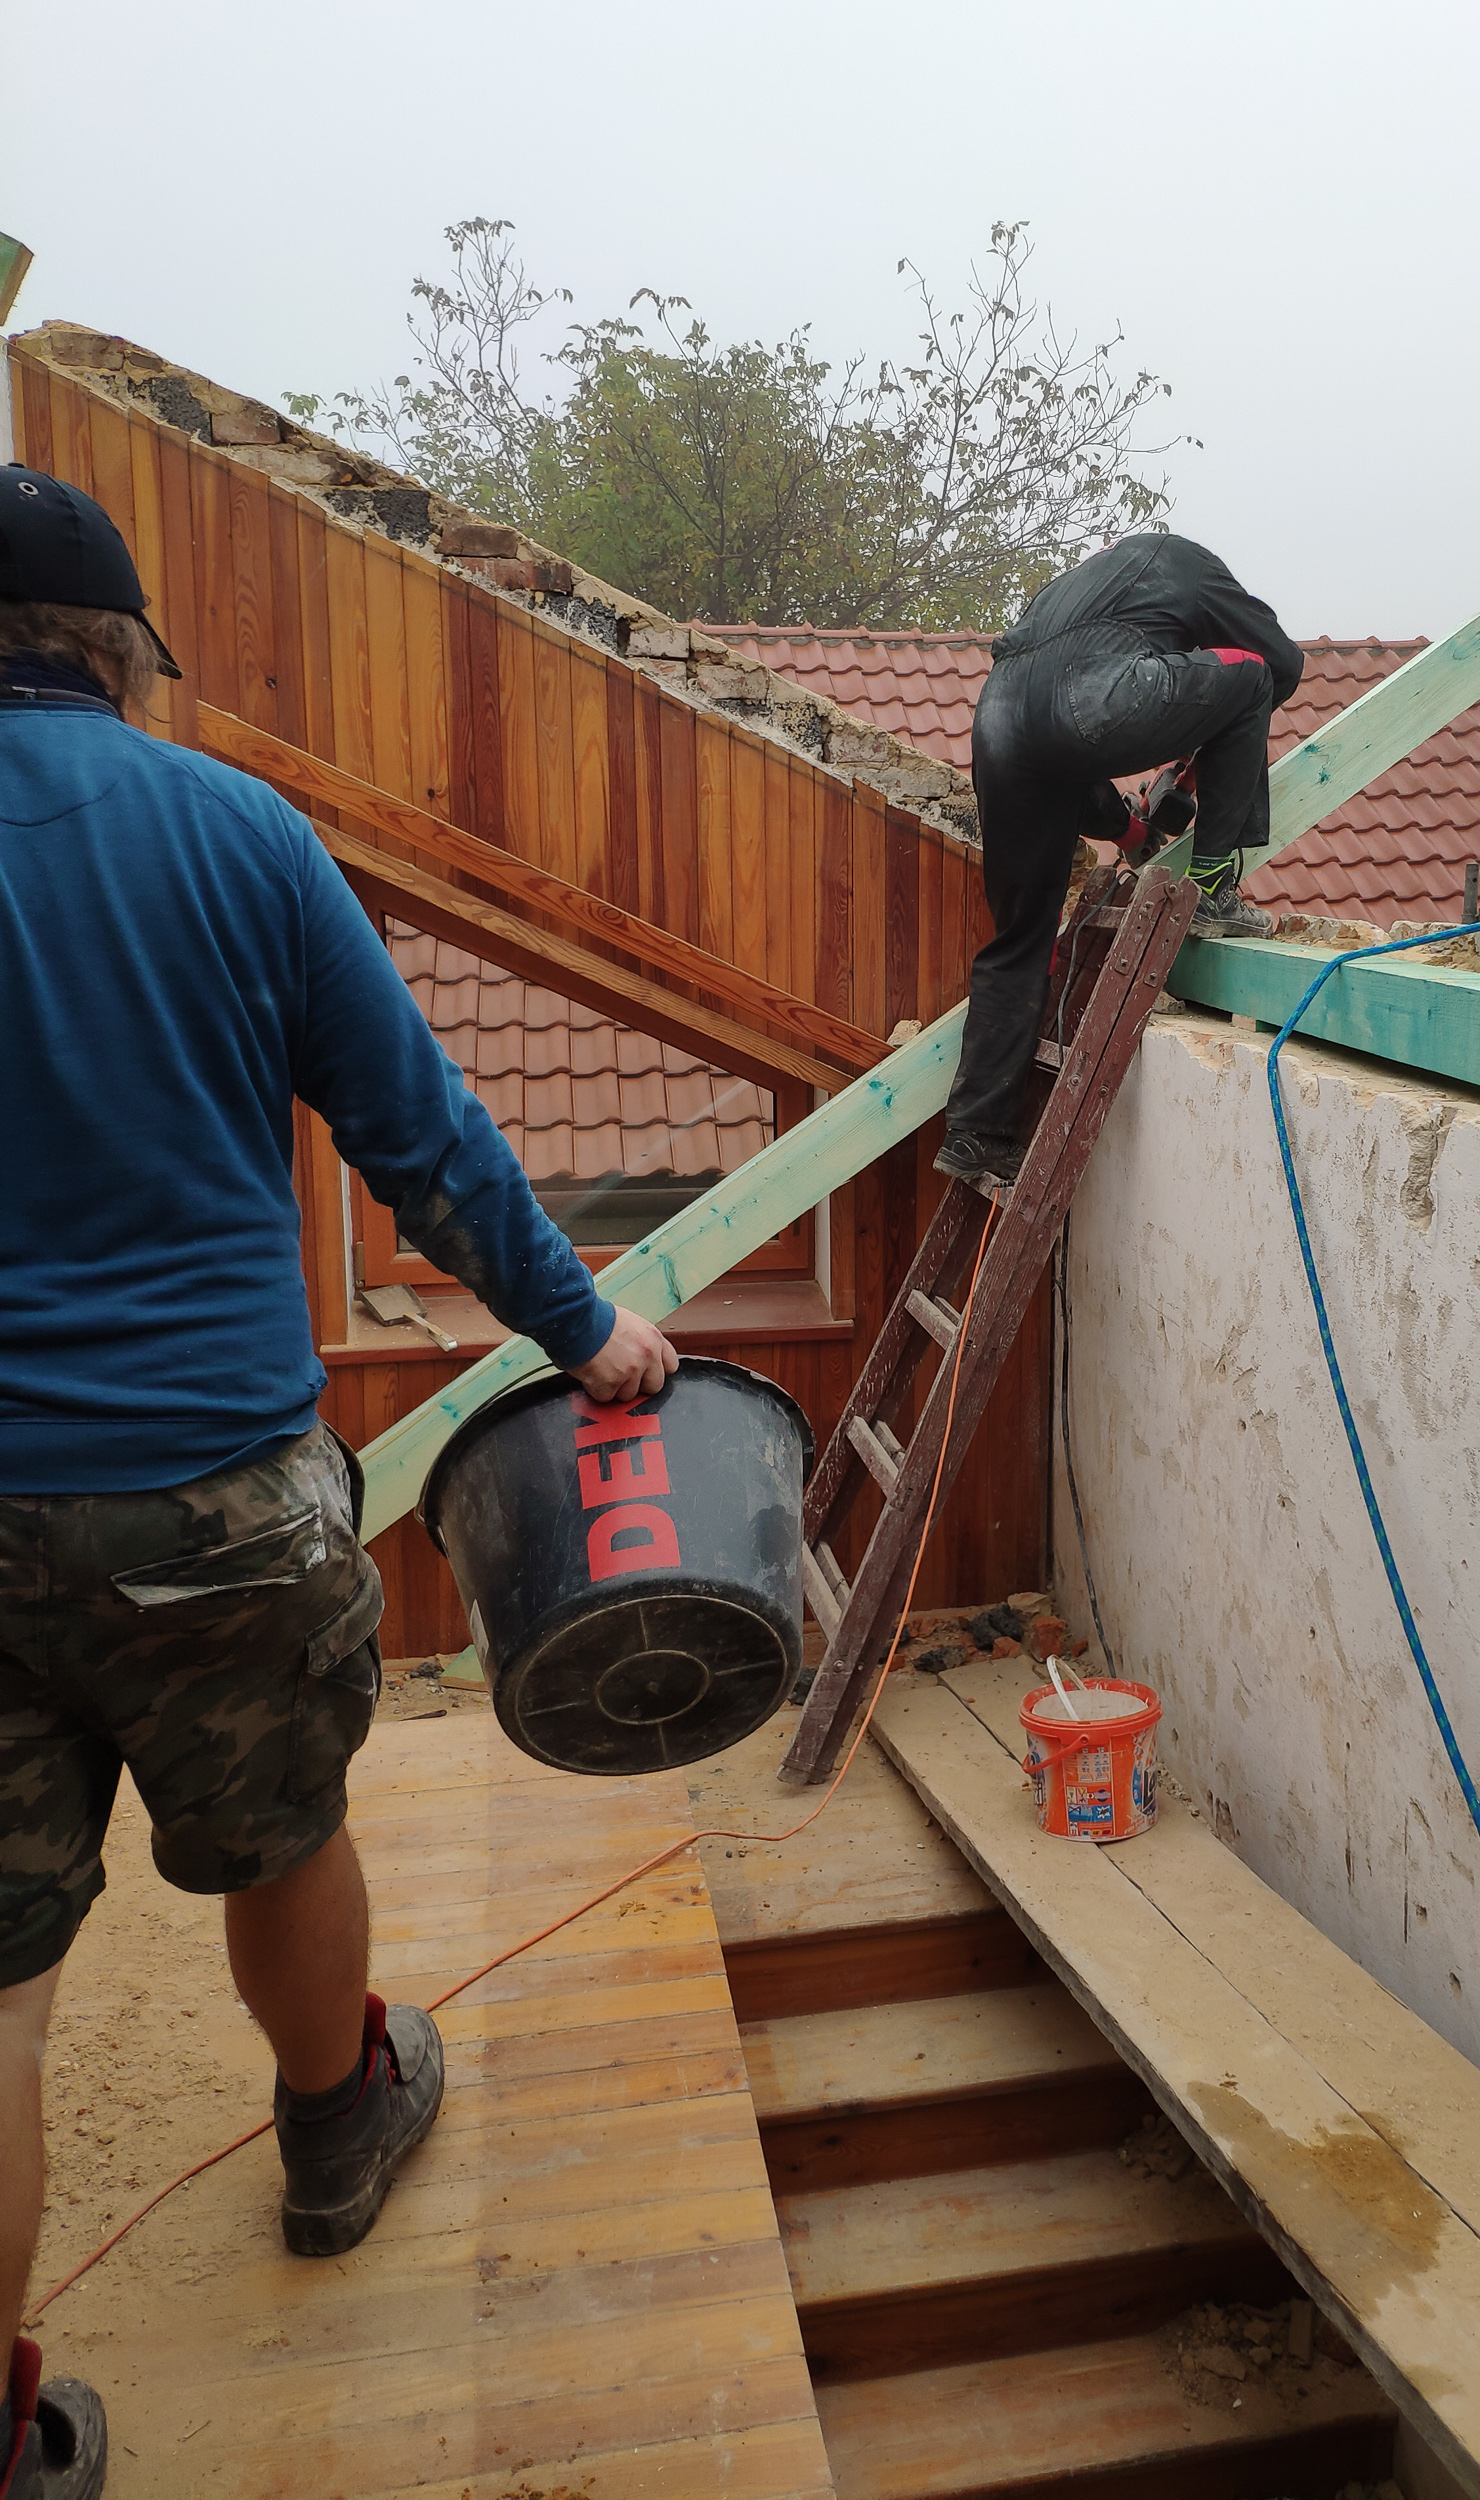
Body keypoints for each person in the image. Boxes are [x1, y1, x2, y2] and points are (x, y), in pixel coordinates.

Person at [0, 465, 678, 2500]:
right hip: (209, 1490)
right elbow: (426, 1142)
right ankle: (333, 2125)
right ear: (118, 653)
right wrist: (586, 1331)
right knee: (283, 1831)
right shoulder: (234, 833)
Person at [936, 532, 1305, 1186]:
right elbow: (1280, 663)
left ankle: (975, 1133)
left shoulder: (1072, 590)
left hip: (999, 718)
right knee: (1247, 678)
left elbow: (1058, 744)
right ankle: (1212, 889)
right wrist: (1208, 747)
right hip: (1088, 701)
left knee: (1021, 938)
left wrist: (1132, 831)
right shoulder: (1191, 563)